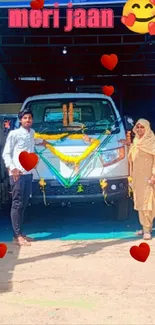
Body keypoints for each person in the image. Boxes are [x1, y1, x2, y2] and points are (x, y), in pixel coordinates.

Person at [2, 108, 48, 246]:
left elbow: (32, 143)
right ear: (20, 120)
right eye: (25, 118)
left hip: (28, 174)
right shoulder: (14, 134)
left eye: (30, 118)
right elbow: (6, 153)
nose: (28, 120)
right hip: (17, 174)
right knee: (17, 204)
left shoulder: (32, 132)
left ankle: (21, 233)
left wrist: (43, 142)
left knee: (24, 203)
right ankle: (16, 236)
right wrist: (12, 168)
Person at [120, 119, 155, 240]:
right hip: (137, 178)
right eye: (138, 127)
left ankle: (147, 229)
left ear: (147, 128)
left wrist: (153, 176)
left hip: (149, 178)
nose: (140, 129)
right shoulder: (136, 141)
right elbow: (133, 157)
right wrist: (128, 144)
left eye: (142, 127)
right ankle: (146, 227)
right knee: (140, 202)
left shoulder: (151, 142)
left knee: (148, 203)